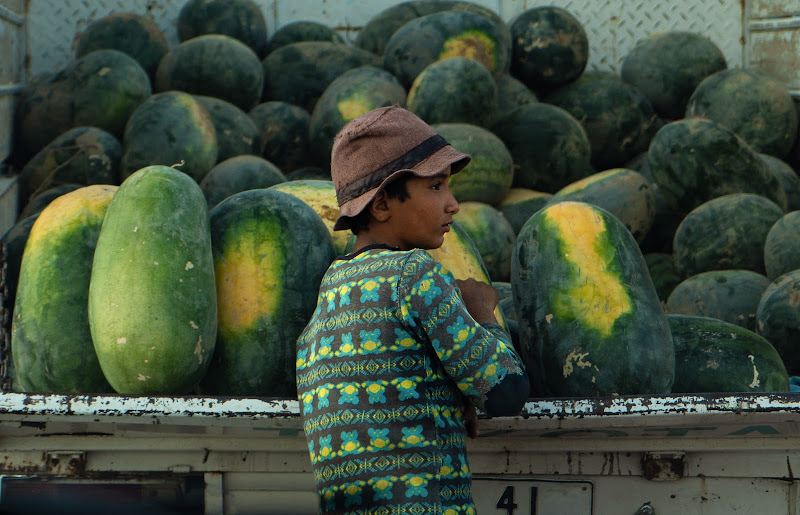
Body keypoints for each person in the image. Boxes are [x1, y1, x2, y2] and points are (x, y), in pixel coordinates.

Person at [296, 106, 529, 514]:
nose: (453, 204)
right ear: (382, 204)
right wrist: (483, 315)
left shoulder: (330, 291)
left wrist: (451, 397)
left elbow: (391, 382)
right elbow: (506, 391)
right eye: (436, 187)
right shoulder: (414, 275)